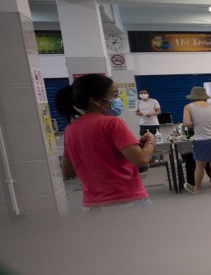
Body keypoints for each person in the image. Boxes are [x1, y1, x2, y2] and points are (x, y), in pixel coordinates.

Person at [56, 74, 154, 210]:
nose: (118, 100)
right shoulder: (112, 124)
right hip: (127, 201)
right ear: (95, 100)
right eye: (114, 95)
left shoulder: (70, 129)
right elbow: (141, 159)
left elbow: (67, 171)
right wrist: (150, 141)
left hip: (93, 206)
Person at [182, 86, 211, 195]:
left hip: (202, 140)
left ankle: (197, 189)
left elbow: (186, 123)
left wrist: (195, 124)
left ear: (192, 97)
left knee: (199, 166)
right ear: (205, 97)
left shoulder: (188, 107)